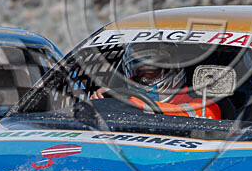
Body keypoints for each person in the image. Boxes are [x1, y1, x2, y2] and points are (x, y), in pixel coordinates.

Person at [90, 43, 222, 119]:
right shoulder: (124, 102)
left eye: (151, 72)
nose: (143, 79)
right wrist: (102, 104)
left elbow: (182, 114)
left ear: (174, 70)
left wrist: (129, 103)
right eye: (137, 73)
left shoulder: (203, 103)